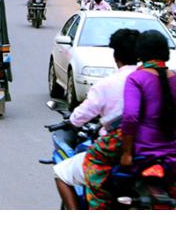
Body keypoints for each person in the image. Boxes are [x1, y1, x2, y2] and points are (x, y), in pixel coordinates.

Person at [84, 30, 176, 209]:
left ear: (140, 53)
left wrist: (127, 153)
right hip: (171, 152)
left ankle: (99, 206)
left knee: (93, 158)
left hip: (142, 147)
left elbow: (131, 117)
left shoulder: (136, 78)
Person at [54, 29, 139, 210]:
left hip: (115, 152)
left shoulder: (108, 84)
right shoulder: (153, 82)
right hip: (149, 152)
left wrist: (73, 120)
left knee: (61, 173)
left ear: (115, 55)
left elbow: (79, 117)